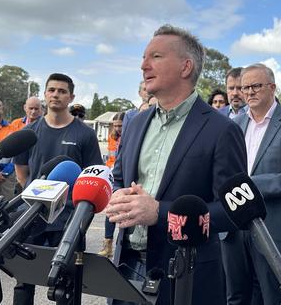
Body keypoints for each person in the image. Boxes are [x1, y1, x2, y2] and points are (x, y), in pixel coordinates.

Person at [105, 24, 247, 305]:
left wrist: (161, 212)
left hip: (186, 276)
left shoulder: (221, 130)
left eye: (155, 57)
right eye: (144, 57)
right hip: (127, 267)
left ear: (185, 67)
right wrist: (119, 195)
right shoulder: (135, 124)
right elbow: (119, 178)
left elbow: (234, 211)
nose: (143, 65)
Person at [221, 64, 281, 304]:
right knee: (235, 296)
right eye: (244, 87)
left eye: (255, 86)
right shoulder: (234, 124)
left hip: (273, 225)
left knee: (268, 296)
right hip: (233, 226)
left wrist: (252, 185)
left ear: (272, 87)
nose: (248, 92)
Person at [13, 73, 103, 304]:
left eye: (62, 91)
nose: (56, 95)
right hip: (32, 216)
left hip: (68, 220)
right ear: (45, 94)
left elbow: (93, 176)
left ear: (71, 97)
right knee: (24, 279)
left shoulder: (85, 134)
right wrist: (35, 197)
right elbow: (21, 169)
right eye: (51, 90)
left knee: (66, 284)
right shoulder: (30, 132)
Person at [99, 111, 125, 258]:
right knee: (110, 211)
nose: (117, 128)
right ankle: (107, 245)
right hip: (112, 176)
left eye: (120, 125)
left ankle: (120, 248)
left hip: (123, 177)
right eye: (115, 126)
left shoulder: (131, 136)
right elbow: (110, 158)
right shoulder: (112, 137)